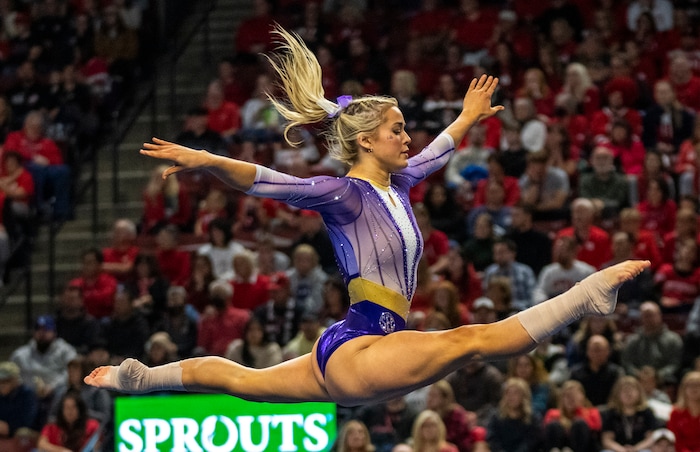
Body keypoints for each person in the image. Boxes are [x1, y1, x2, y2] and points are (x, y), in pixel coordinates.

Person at [85, 27, 650, 410]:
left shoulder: (399, 182)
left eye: (405, 128)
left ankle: (139, 378)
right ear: (364, 141)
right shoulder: (342, 193)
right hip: (360, 348)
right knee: (475, 341)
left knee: (244, 382)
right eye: (397, 129)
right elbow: (263, 179)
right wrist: (205, 159)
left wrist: (467, 116)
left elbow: (441, 149)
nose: (408, 139)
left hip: (359, 345)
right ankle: (588, 295)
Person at [599, 375, 657, 452]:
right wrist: (621, 450)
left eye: (632, 390)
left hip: (640, 449)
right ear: (617, 394)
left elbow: (651, 438)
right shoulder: (611, 413)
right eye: (624, 390)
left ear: (639, 392)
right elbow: (607, 440)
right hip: (617, 450)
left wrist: (635, 449)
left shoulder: (647, 412)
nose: (628, 394)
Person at [486, 377, 543, 452]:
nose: (511, 397)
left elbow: (532, 441)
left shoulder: (533, 417)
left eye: (516, 393)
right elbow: (492, 439)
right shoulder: (496, 417)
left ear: (524, 396)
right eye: (508, 393)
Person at [36, 390, 100, 452]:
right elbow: (41, 444)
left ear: (80, 409)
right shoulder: (52, 427)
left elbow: (96, 446)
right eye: (66, 407)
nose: (69, 411)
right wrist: (61, 451)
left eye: (73, 407)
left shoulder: (92, 426)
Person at [667, 371, 700, 452]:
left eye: (698, 385)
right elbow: (674, 439)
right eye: (690, 385)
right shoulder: (676, 412)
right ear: (683, 389)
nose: (694, 388)